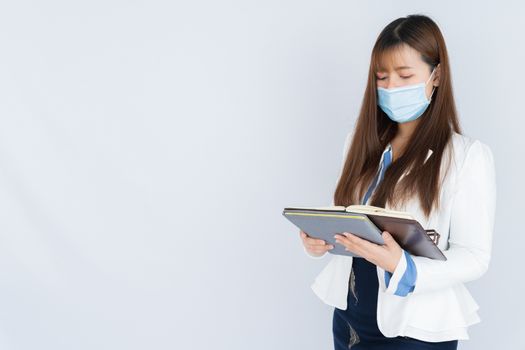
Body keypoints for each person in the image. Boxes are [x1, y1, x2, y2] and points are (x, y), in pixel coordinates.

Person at [299, 14, 496, 349]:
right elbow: (348, 217)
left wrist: (405, 267)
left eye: (405, 75)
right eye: (382, 77)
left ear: (436, 75)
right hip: (351, 317)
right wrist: (320, 240)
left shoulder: (467, 156)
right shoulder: (359, 142)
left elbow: (475, 256)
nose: (390, 87)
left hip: (416, 325)